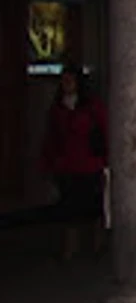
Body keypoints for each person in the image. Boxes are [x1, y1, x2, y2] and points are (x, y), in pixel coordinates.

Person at [39, 66, 108, 260]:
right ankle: (70, 249)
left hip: (90, 163)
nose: (66, 85)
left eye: (70, 81)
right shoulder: (58, 108)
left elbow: (104, 132)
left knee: (95, 207)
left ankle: (98, 244)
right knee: (69, 209)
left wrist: (106, 159)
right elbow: (51, 138)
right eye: (63, 81)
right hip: (67, 165)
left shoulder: (93, 106)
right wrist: (49, 163)